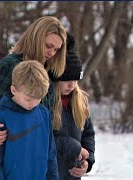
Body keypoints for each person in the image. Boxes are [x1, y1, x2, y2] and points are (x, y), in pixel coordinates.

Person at [0, 15, 66, 174]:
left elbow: (47, 125)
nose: (51, 52)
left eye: (56, 49)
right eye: (48, 46)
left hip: (37, 164)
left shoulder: (47, 74)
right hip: (11, 163)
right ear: (36, 38)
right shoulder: (10, 66)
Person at [0, 60, 58, 179]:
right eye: (29, 99)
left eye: (39, 98)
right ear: (14, 90)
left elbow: (51, 154)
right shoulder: (0, 116)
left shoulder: (44, 114)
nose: (35, 103)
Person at [48, 35, 95, 180]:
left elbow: (88, 134)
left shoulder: (80, 101)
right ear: (55, 78)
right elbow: (44, 139)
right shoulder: (45, 103)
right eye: (67, 80)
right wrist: (71, 145)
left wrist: (87, 161)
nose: (72, 85)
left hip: (73, 175)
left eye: (75, 80)